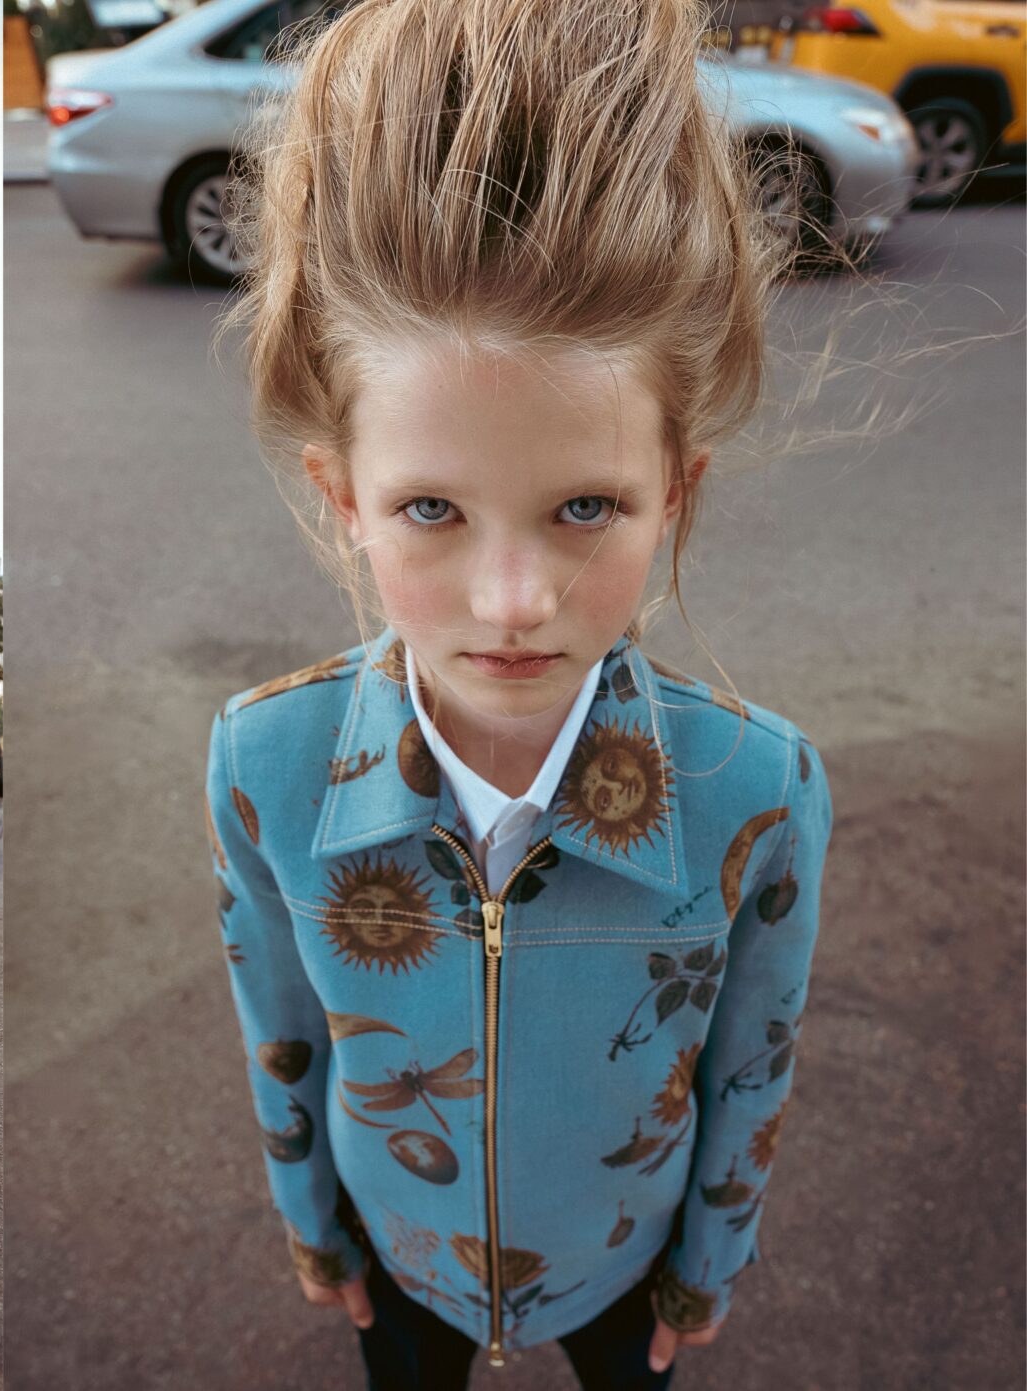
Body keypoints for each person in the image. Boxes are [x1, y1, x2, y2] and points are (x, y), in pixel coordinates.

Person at [206, 1, 834, 1386]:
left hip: (627, 1269)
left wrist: (706, 1264)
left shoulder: (757, 788)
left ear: (677, 490)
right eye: (431, 505)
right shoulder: (267, 757)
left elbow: (750, 1063)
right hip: (401, 1262)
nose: (510, 599)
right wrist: (317, 1231)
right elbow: (281, 1027)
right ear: (344, 497)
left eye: (585, 507)